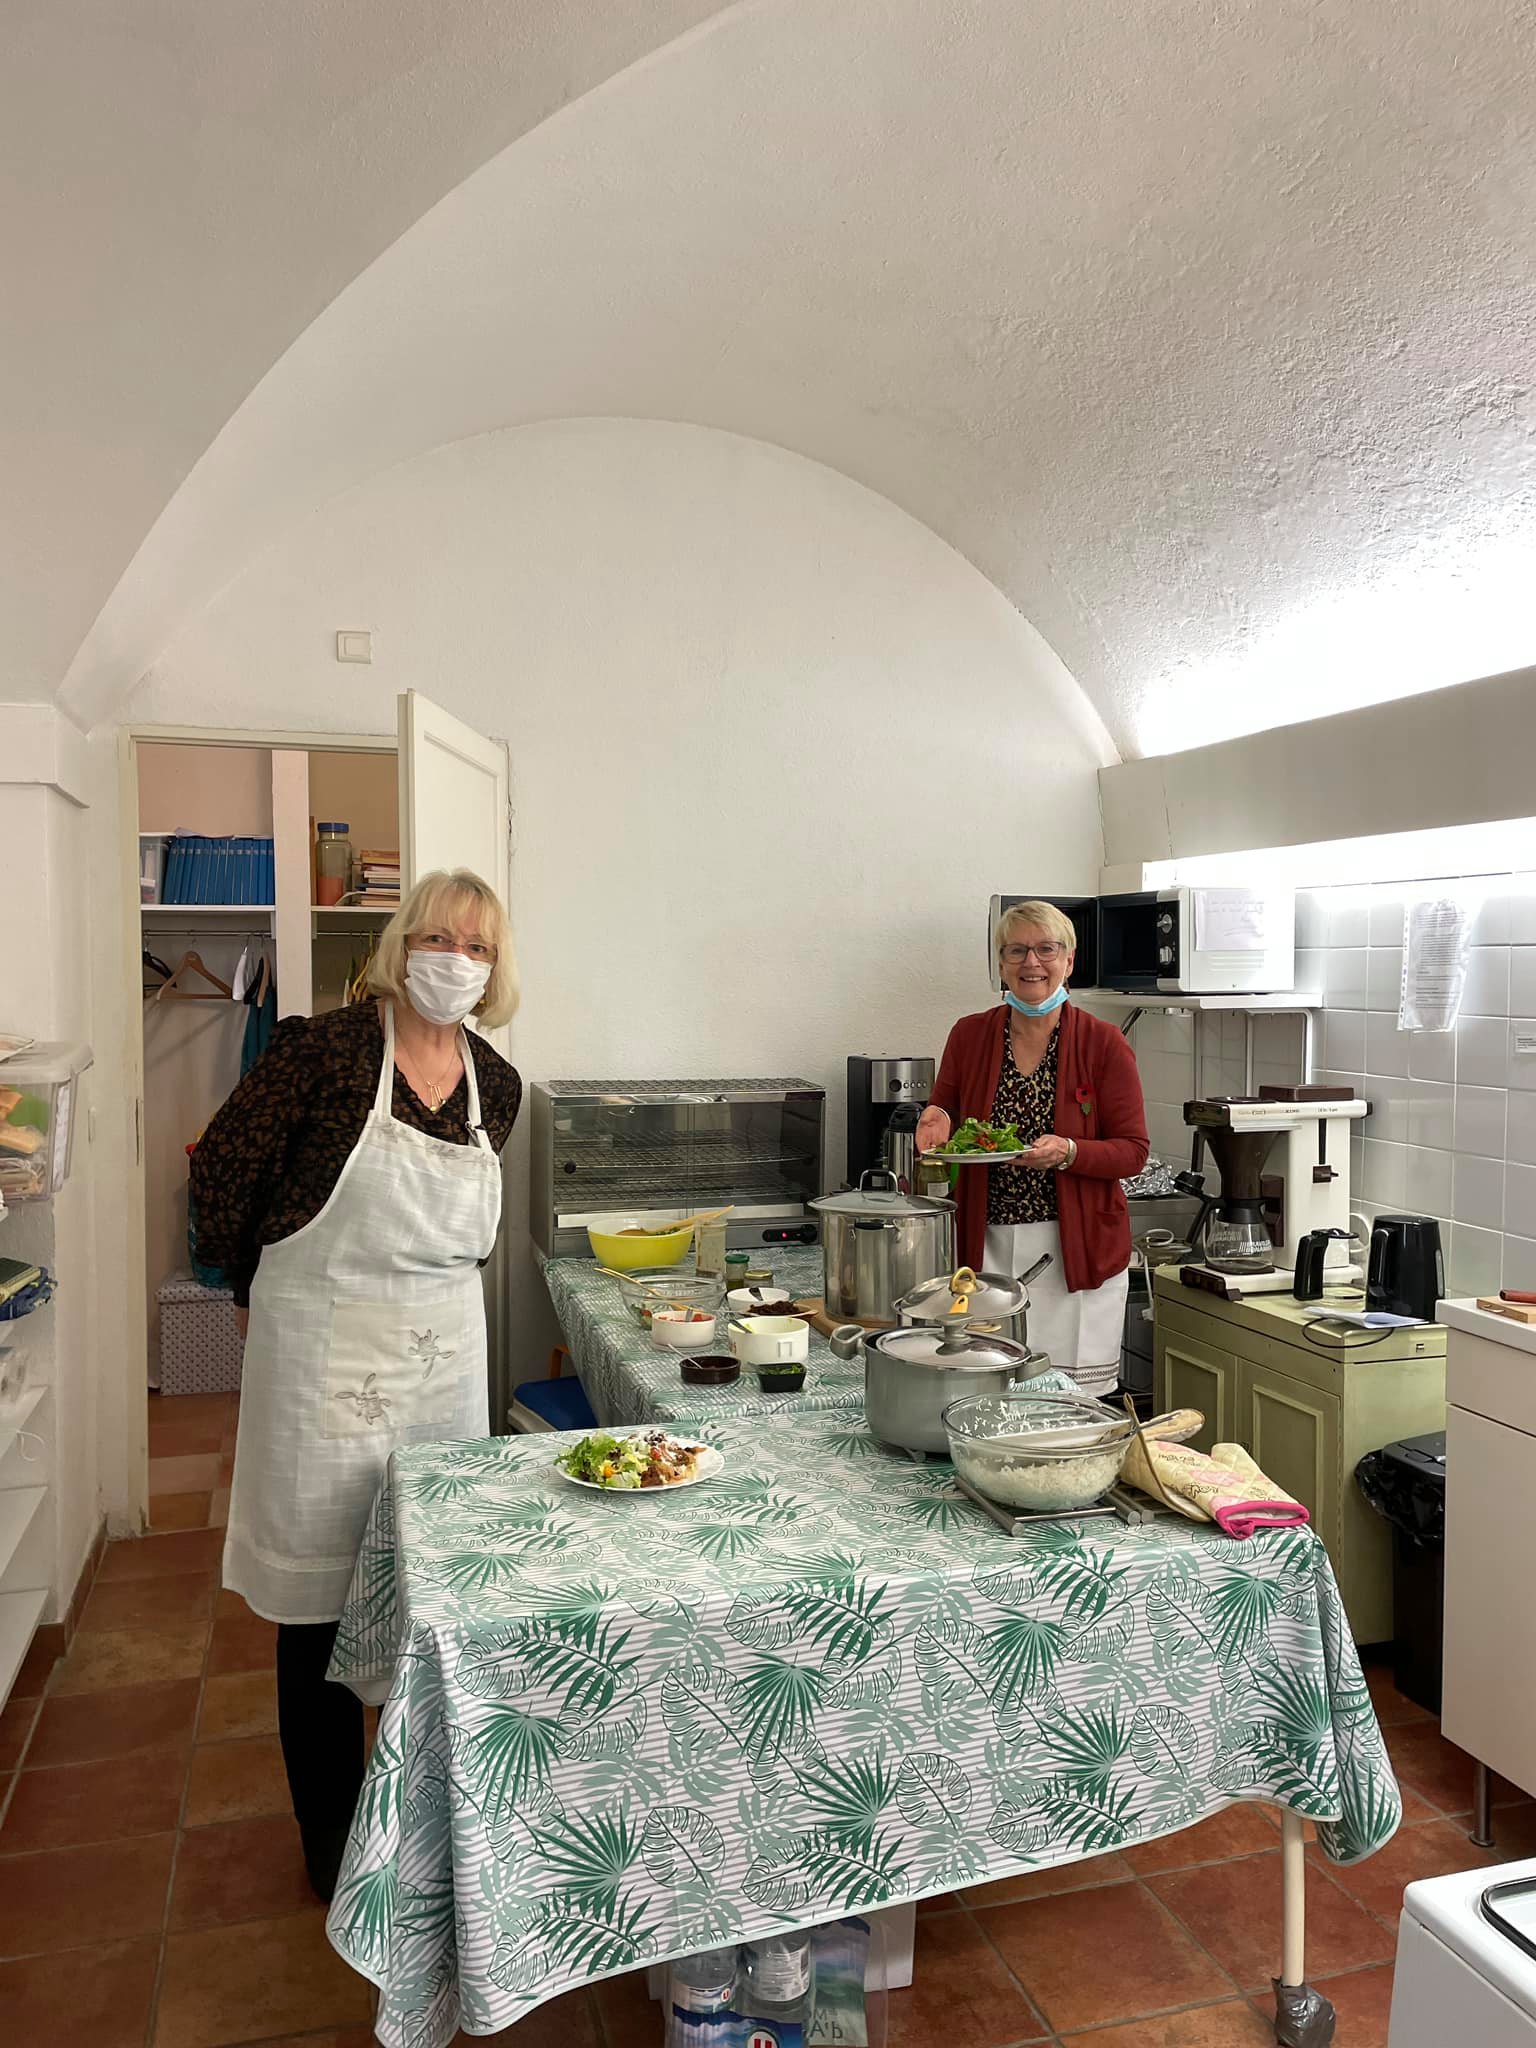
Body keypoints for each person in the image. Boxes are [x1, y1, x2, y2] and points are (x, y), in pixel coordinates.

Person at [190, 867, 521, 1899]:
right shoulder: (323, 1050)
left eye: (475, 947)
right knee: (322, 1599)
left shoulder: (494, 1083)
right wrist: (248, 1278)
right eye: (434, 937)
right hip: (323, 1352)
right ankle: (330, 1839)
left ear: (494, 969)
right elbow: (223, 1172)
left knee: (428, 1590)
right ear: (396, 944)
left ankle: (418, 1814)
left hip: (441, 1362)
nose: (452, 960)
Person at [916, 899, 1148, 1398]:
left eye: (1046, 949)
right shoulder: (970, 1034)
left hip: (1076, 1253)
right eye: (1017, 950)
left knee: (1067, 1404)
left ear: (1070, 960)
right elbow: (945, 1111)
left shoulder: (1104, 1044)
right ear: (1000, 964)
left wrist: (1069, 1151)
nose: (1031, 963)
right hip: (986, 1242)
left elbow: (1133, 1152)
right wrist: (935, 1119)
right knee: (986, 1396)